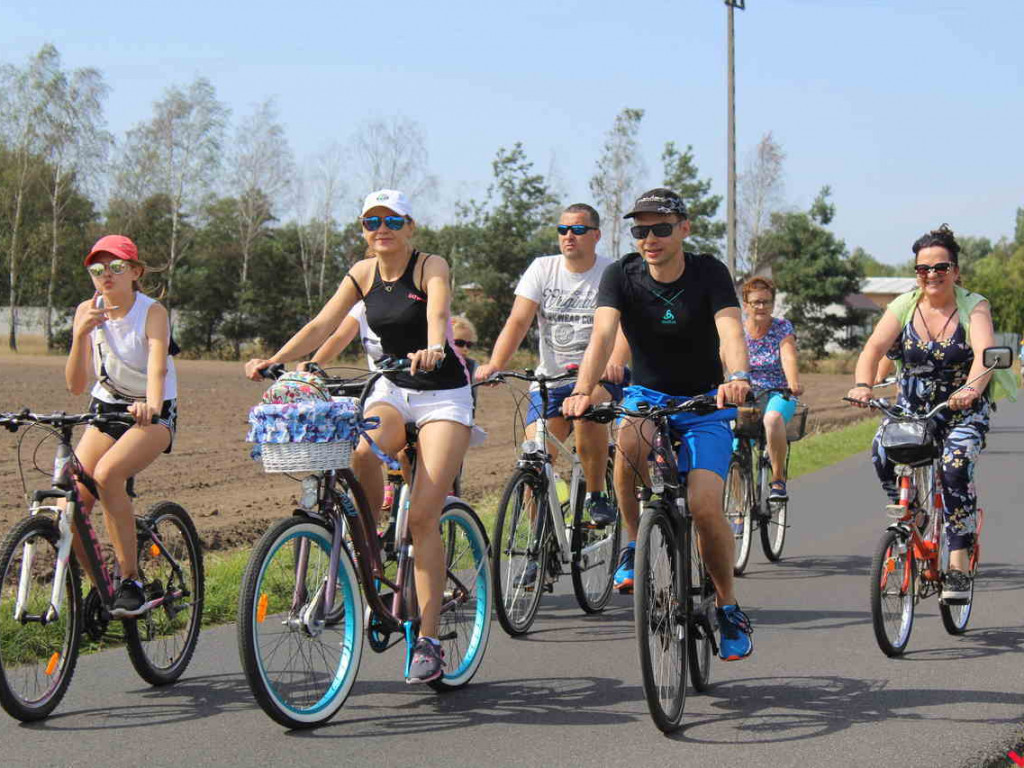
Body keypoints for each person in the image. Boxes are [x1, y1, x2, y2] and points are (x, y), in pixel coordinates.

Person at [245, 189, 472, 684]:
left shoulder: (430, 265)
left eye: (392, 219)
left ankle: (429, 639)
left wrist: (435, 346)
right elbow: (323, 322)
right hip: (390, 387)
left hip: (442, 394)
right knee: (362, 451)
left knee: (424, 515)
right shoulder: (362, 272)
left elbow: (438, 314)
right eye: (372, 220)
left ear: (409, 226)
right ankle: (369, 546)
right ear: (363, 229)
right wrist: (275, 360)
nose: (381, 228)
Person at [562, 188, 754, 661]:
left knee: (706, 507)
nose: (650, 238)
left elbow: (730, 330)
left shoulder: (709, 273)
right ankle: (633, 543)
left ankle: (727, 605)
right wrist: (583, 391)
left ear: (684, 229)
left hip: (705, 402)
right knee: (628, 439)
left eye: (661, 228)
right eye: (641, 230)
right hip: (647, 396)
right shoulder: (621, 275)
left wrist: (738, 377)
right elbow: (602, 335)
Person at [847, 224, 1016, 603]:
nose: (932, 276)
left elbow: (986, 356)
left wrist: (971, 389)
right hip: (912, 408)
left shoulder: (974, 305)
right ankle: (915, 516)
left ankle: (957, 562)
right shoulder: (905, 305)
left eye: (941, 268)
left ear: (955, 271)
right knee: (880, 450)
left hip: (960, 409)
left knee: (954, 468)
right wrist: (862, 384)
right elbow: (873, 349)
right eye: (924, 269)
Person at [475, 203, 629, 554]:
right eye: (562, 230)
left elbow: (623, 328)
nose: (568, 236)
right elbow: (518, 321)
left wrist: (615, 362)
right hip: (551, 380)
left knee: (587, 412)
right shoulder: (542, 269)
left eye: (576, 230)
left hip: (597, 377)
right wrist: (496, 362)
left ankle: (595, 494)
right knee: (534, 457)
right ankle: (539, 543)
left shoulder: (612, 272)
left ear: (596, 235)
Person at [65, 235, 178, 617]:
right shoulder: (87, 310)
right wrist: (80, 333)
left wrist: (150, 404)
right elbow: (76, 385)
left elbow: (158, 366)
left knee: (109, 474)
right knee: (73, 499)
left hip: (153, 409)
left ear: (135, 272)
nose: (106, 276)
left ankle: (131, 580)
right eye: (97, 269)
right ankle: (104, 588)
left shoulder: (151, 312)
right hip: (106, 407)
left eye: (116, 267)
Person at [740, 276, 802, 500]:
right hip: (745, 394)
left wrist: (793, 382)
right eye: (756, 302)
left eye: (766, 302)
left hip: (778, 391)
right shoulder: (737, 329)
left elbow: (788, 356)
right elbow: (724, 358)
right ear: (745, 305)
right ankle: (738, 505)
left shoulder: (782, 327)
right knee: (732, 443)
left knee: (772, 419)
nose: (761, 307)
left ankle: (777, 479)